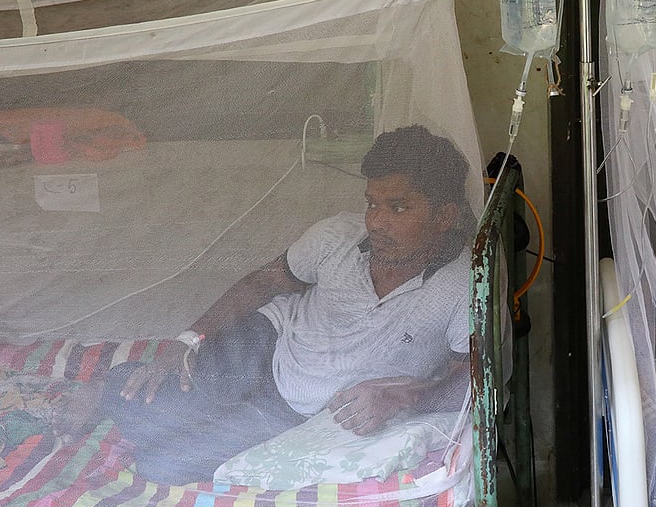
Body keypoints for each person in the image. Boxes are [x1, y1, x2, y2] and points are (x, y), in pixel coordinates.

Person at [97, 125, 475, 485]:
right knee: (128, 390)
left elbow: (471, 382)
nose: (376, 222)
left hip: (297, 411)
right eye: (371, 204)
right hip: (262, 345)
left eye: (397, 208)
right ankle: (128, 394)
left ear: (444, 216)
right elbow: (263, 281)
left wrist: (405, 394)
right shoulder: (336, 237)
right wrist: (188, 339)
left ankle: (199, 415)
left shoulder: (465, 285)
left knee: (160, 465)